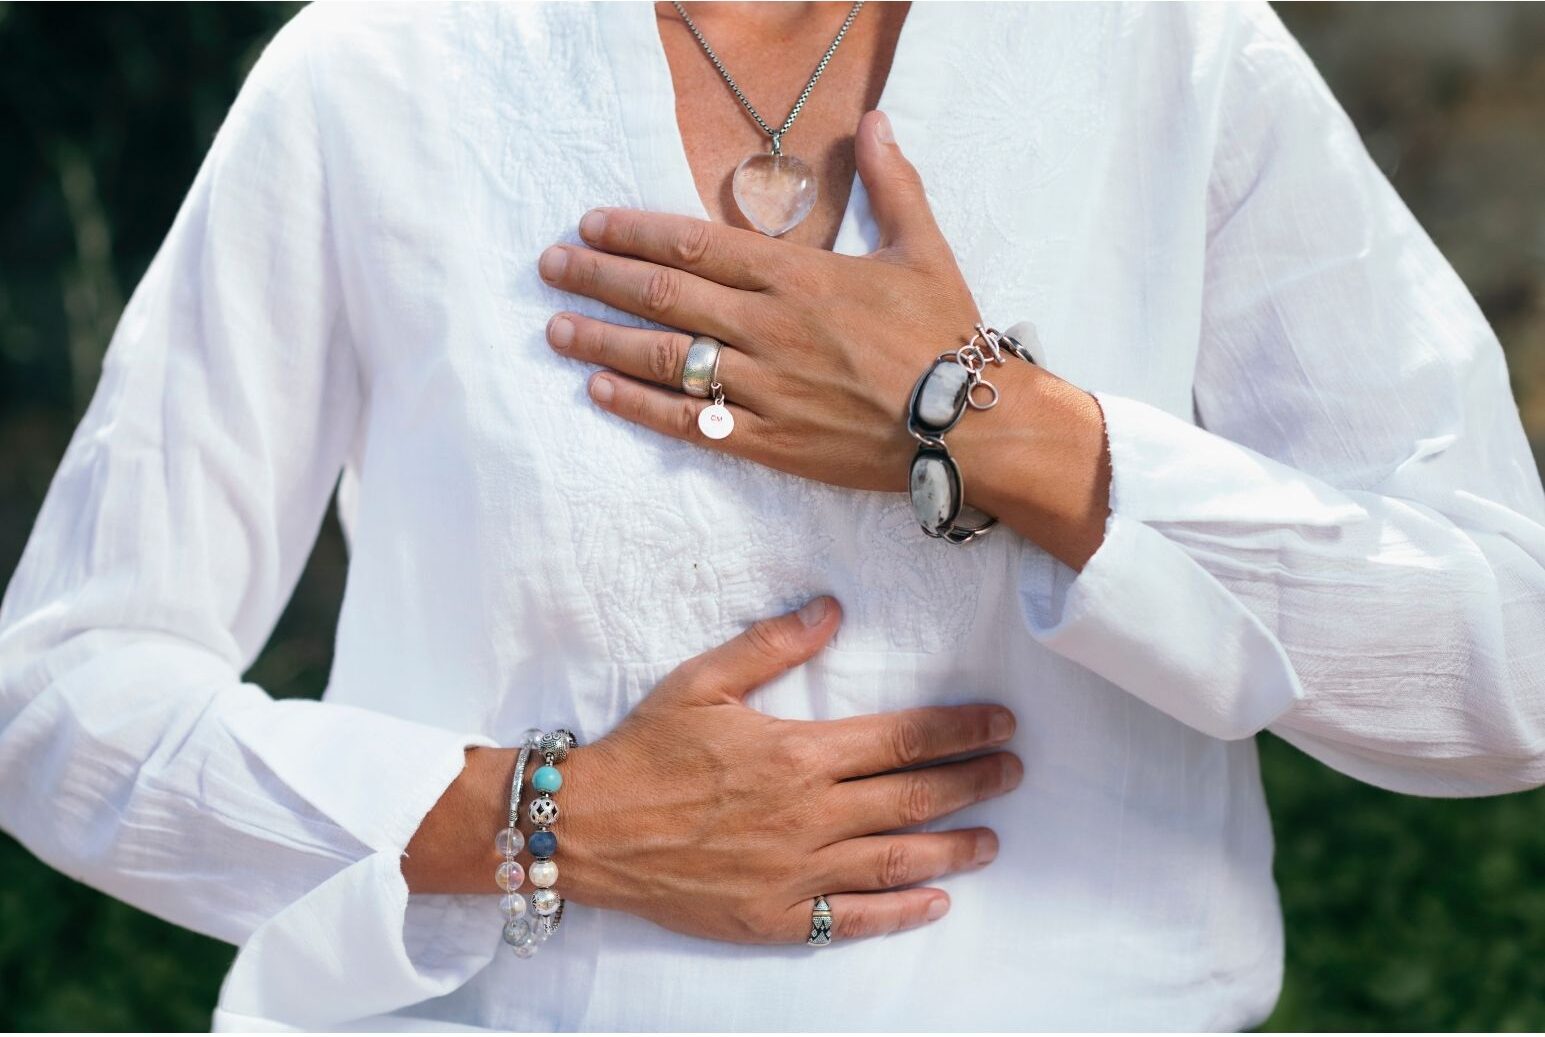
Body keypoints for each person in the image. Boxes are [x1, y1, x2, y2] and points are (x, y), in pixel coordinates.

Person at [2, 0, 1542, 1030]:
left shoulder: (1163, 44)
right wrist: (547, 822)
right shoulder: (378, 72)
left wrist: (991, 425)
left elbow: (1505, 659)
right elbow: (61, 691)